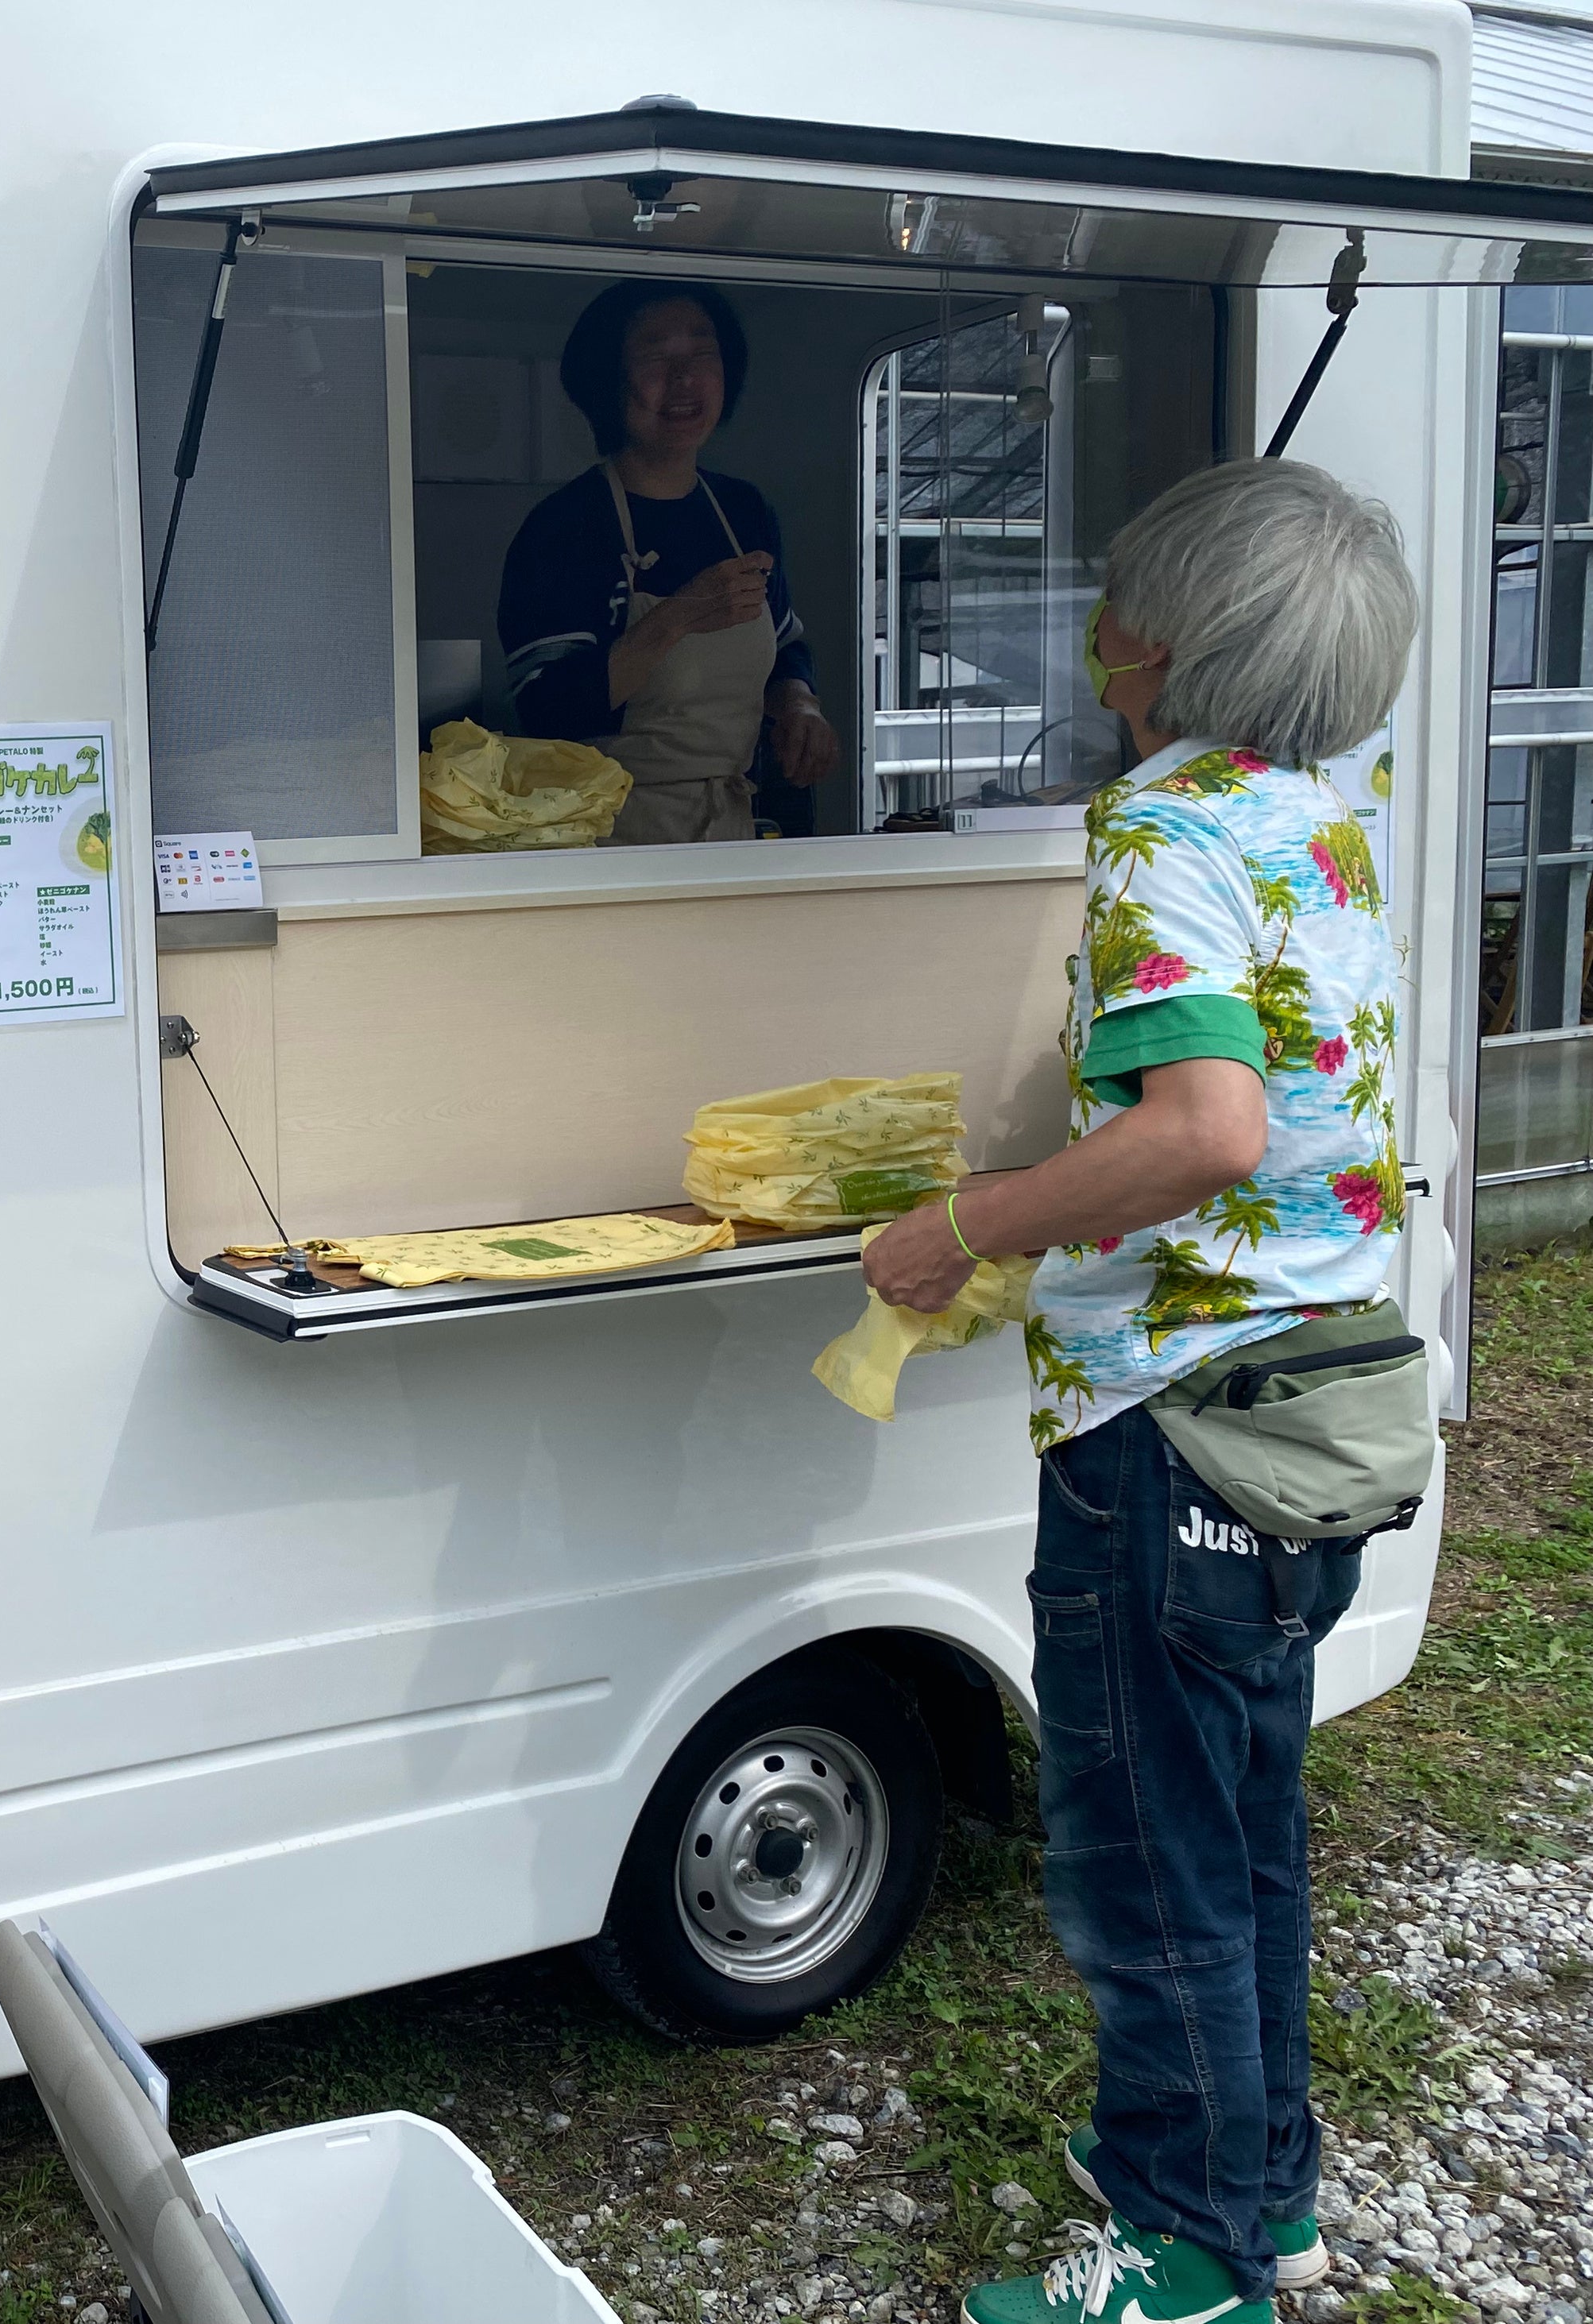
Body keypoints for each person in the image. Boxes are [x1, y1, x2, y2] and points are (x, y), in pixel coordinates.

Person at [862, 458, 1419, 2324]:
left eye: (1116, 597)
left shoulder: (1165, 821)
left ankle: (1185, 2259)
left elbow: (1204, 1128)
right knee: (1242, 1831)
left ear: (1161, 642)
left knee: (1147, 1861)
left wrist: (960, 1226)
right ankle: (1262, 2194)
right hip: (1318, 1409)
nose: (1096, 627)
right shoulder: (1318, 820)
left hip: (1174, 1426)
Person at [494, 280, 840, 844]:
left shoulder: (743, 511)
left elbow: (784, 646)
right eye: (656, 358)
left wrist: (801, 705)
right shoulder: (563, 528)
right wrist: (675, 618)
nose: (684, 380)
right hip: (610, 836)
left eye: (702, 355)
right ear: (608, 380)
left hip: (730, 829)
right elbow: (545, 710)